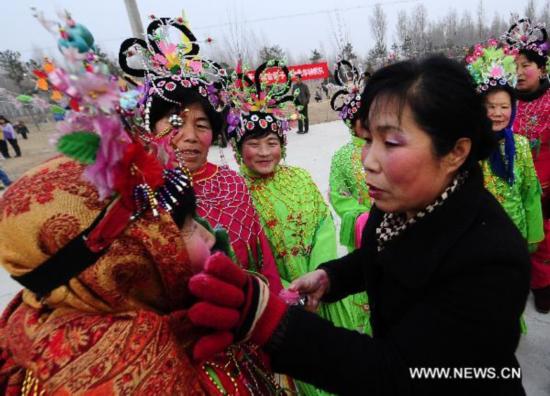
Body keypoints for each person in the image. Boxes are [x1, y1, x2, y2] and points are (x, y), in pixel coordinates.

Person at [188, 56, 530, 395]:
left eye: (391, 143)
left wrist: (271, 322)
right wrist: (332, 277)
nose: (367, 160)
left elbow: (399, 374)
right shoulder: (399, 203)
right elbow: (382, 254)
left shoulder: (491, 258)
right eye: (368, 140)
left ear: (456, 152)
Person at [119, 16, 288, 394]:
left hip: (250, 339)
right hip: (180, 361)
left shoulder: (230, 180)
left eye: (202, 124)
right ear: (151, 125)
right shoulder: (135, 196)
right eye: (175, 121)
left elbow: (262, 257)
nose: (191, 137)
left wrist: (272, 321)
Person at [226, 61, 371, 395]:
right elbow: (248, 254)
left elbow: (323, 223)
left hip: (321, 287)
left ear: (283, 144)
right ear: (236, 147)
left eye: (272, 142)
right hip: (280, 300)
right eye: (254, 143)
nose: (265, 152)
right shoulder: (235, 191)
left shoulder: (301, 177)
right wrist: (288, 292)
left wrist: (319, 273)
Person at [466, 40, 544, 256]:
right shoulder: (470, 147)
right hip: (479, 241)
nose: (498, 113)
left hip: (516, 235)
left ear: (513, 109)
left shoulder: (520, 144)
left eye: (504, 107)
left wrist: (533, 234)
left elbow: (530, 192)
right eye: (490, 107)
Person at [504, 18, 550, 313]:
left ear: (543, 68)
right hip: (512, 186)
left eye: (526, 66)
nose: (519, 73)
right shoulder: (506, 103)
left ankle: (543, 286)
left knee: (543, 242)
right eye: (516, 67)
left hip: (546, 190)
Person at [328, 60, 372, 252]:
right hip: (364, 233)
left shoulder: (390, 145)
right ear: (351, 124)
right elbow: (338, 195)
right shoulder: (341, 156)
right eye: (362, 119)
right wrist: (365, 219)